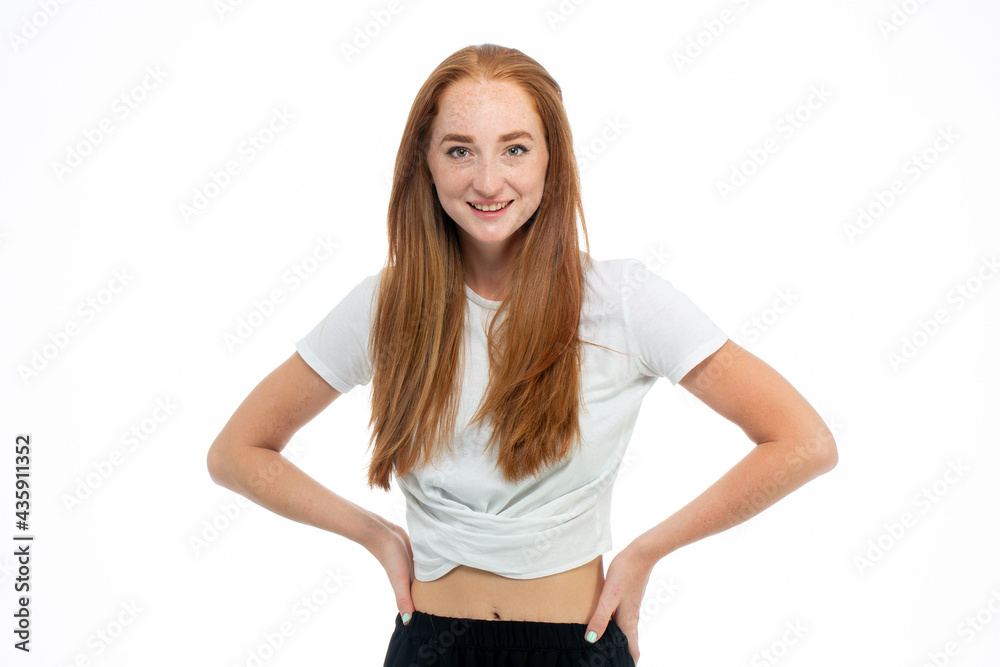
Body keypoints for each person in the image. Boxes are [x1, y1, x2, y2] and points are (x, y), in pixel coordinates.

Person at [206, 43, 838, 666]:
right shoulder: (389, 304)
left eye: (515, 148)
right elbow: (237, 452)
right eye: (460, 151)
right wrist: (374, 535)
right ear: (424, 163)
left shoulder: (623, 302)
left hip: (575, 649)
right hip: (428, 646)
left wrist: (645, 552)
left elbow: (801, 441)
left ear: (551, 162)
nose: (488, 181)